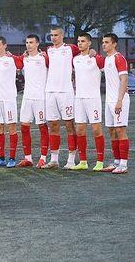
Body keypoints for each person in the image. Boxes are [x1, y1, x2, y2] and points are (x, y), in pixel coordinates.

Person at [43, 26, 81, 169]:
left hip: (66, 92)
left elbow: (85, 52)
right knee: (52, 125)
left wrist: (92, 51)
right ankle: (54, 160)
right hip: (50, 92)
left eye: (56, 35)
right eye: (52, 35)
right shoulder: (48, 51)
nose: (53, 37)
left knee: (69, 124)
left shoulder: (71, 48)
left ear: (62, 35)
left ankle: (71, 160)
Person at [71, 33, 106, 171]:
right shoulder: (75, 59)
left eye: (83, 41)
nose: (80, 43)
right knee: (80, 130)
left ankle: (100, 161)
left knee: (96, 129)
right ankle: (83, 161)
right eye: (79, 41)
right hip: (79, 99)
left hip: (93, 99)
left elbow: (108, 71)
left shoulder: (97, 58)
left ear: (89, 43)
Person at [0, 36, 23, 168]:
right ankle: (1, 158)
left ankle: (12, 158)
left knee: (11, 127)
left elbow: (23, 61)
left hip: (9, 98)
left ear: (5, 46)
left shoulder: (12, 59)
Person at [17, 35, 50, 168]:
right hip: (27, 97)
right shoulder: (24, 58)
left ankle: (43, 158)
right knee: (24, 127)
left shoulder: (44, 58)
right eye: (27, 43)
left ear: (37, 44)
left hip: (40, 97)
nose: (28, 45)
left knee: (42, 126)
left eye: (31, 42)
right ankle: (28, 158)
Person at [101, 33, 131, 174]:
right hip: (109, 100)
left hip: (119, 100)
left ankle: (124, 164)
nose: (104, 44)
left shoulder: (119, 58)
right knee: (112, 131)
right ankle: (117, 161)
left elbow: (124, 80)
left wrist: (119, 101)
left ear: (114, 44)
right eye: (103, 42)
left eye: (107, 42)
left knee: (120, 130)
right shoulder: (107, 59)